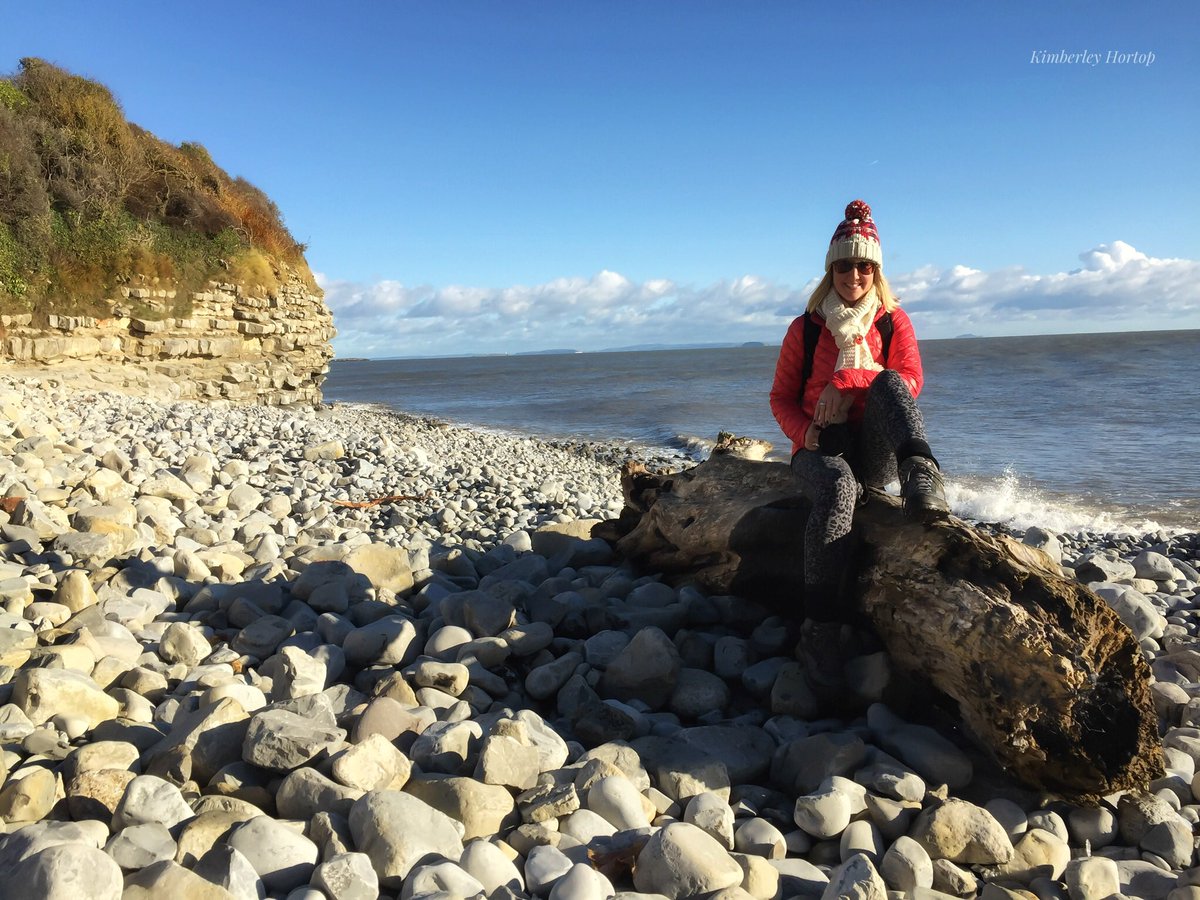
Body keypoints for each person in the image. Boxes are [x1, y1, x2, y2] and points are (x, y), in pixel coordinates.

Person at [770, 199, 948, 638]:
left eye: (864, 268)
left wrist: (845, 380)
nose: (854, 276)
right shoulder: (806, 328)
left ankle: (922, 476)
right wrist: (804, 432)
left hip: (873, 450)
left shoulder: (893, 321)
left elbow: (910, 381)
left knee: (889, 383)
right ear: (830, 271)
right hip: (820, 447)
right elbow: (780, 398)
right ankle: (821, 625)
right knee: (838, 487)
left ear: (877, 272)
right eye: (844, 267)